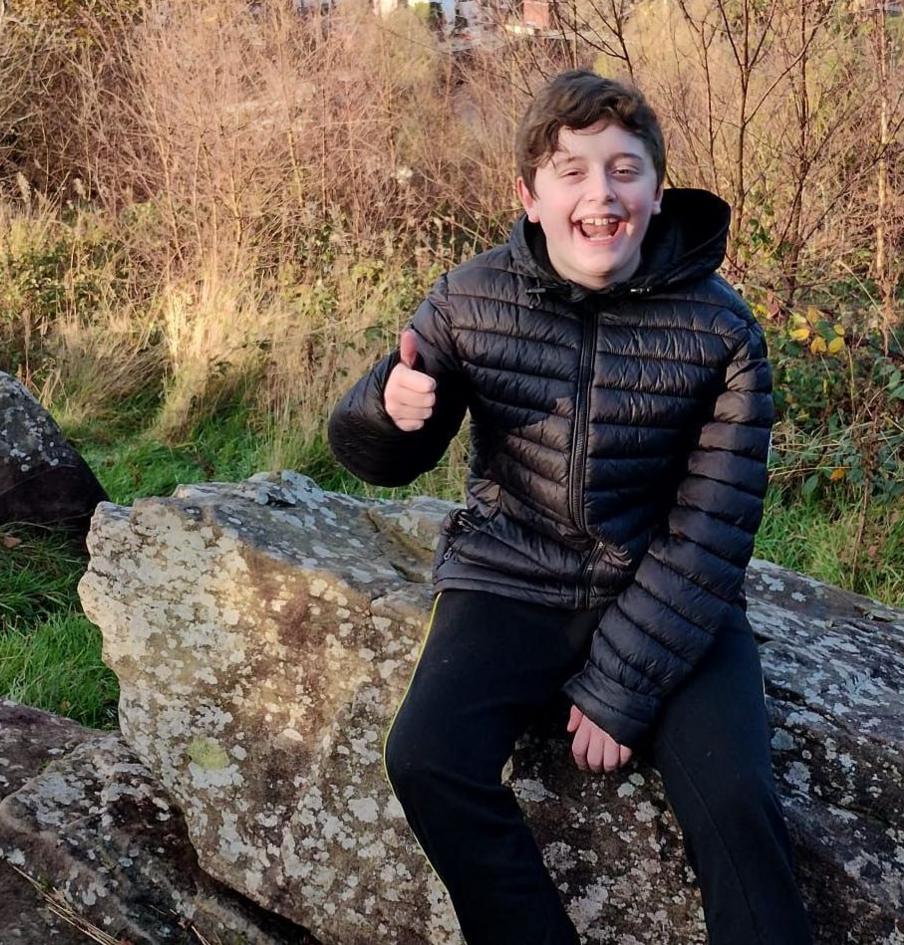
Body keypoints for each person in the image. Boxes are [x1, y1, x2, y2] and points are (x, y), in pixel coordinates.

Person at [326, 68, 815, 945]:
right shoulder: (472, 298)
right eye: (572, 169)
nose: (600, 193)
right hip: (511, 578)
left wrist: (623, 682)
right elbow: (373, 453)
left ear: (657, 193)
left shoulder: (723, 330)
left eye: (624, 170)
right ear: (530, 195)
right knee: (426, 756)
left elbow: (714, 525)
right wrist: (386, 407)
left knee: (737, 793)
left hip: (661, 590)